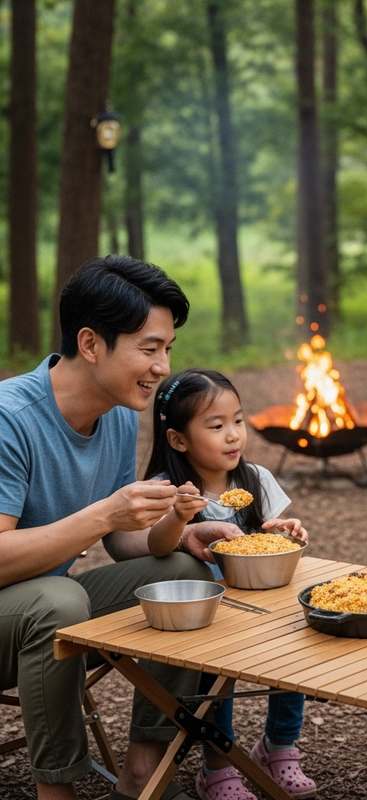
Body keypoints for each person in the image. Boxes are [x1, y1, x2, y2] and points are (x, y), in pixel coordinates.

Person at [0, 256, 241, 800]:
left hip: (46, 611)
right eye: (149, 347)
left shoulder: (115, 414)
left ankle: (143, 774)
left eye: (168, 348)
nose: (162, 366)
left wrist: (179, 532)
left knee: (183, 574)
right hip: (26, 613)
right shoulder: (8, 418)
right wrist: (105, 512)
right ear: (90, 344)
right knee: (58, 600)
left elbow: (121, 542)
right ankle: (56, 790)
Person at [144, 368, 316, 800]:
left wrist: (285, 531)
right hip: (208, 617)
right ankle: (218, 766)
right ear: (178, 440)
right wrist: (179, 517)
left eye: (238, 421)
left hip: (262, 603)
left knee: (290, 663)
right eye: (216, 426)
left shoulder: (254, 479)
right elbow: (156, 546)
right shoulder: (168, 490)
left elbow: (271, 537)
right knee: (215, 682)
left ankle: (279, 747)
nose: (233, 436)